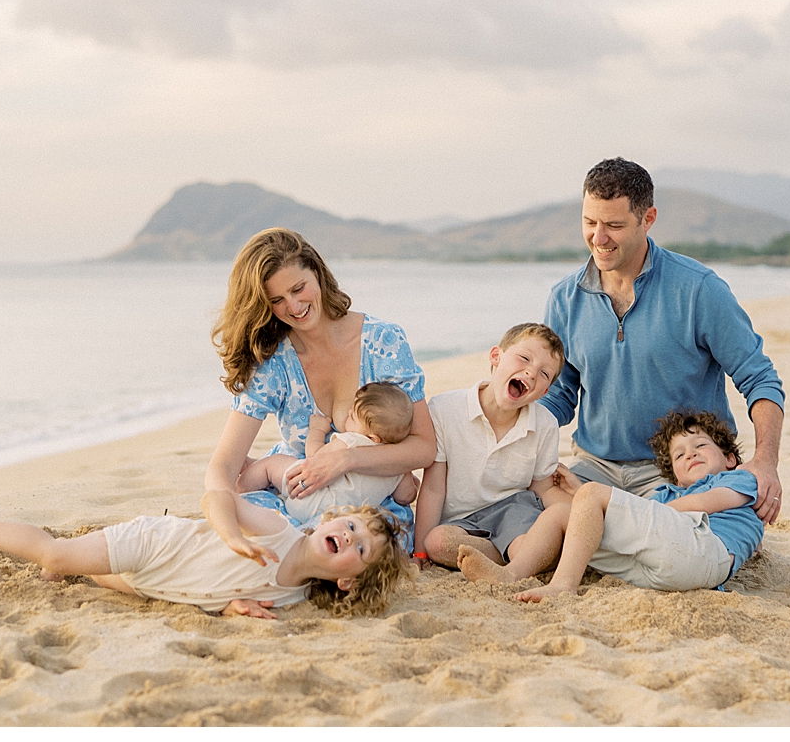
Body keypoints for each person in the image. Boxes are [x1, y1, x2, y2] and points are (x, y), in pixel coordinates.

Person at [538, 157, 786, 523]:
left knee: (662, 538)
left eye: (614, 225)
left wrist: (765, 462)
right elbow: (558, 394)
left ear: (648, 219)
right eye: (590, 222)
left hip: (679, 472)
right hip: (595, 469)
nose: (598, 238)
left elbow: (760, 378)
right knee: (531, 517)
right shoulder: (564, 299)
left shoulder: (699, 289)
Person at [204, 228, 435, 548]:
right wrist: (229, 528)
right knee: (266, 538)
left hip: (368, 513)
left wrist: (345, 460)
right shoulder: (274, 363)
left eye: (299, 288)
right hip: (296, 502)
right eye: (277, 300)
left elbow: (424, 447)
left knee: (342, 550)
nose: (294, 306)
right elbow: (224, 465)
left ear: (317, 272)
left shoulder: (384, 342)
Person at [0, 491, 411, 619]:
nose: (348, 536)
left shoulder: (294, 595)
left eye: (361, 547)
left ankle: (82, 553)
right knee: (55, 558)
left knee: (91, 575)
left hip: (156, 586)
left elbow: (235, 596)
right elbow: (216, 498)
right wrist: (230, 534)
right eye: (349, 525)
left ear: (349, 581)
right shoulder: (278, 531)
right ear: (329, 522)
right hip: (157, 544)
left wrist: (231, 607)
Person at [504, 408, 763, 601]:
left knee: (594, 494)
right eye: (680, 454)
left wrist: (592, 494)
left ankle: (563, 584)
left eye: (701, 445)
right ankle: (511, 574)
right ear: (675, 475)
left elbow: (707, 502)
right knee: (564, 514)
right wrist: (580, 493)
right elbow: (623, 522)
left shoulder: (738, 477)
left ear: (729, 458)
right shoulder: (667, 494)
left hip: (706, 551)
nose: (691, 453)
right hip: (662, 573)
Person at [414, 323, 571, 572]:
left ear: (545, 391)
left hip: (514, 512)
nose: (531, 372)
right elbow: (433, 488)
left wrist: (575, 509)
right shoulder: (445, 409)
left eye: (544, 374)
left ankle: (518, 557)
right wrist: (419, 551)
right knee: (436, 543)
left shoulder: (544, 424)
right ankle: (506, 561)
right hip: (460, 522)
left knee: (528, 545)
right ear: (496, 356)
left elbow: (541, 487)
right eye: (524, 358)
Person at [237, 381, 421, 522]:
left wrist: (318, 430)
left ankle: (239, 489)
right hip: (339, 518)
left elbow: (315, 458)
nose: (347, 414)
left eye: (351, 417)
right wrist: (412, 483)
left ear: (373, 438)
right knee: (282, 465)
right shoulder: (397, 465)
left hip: (307, 499)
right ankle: (254, 467)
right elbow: (405, 497)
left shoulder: (351, 441)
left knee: (272, 464)